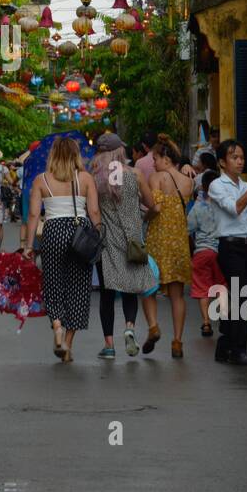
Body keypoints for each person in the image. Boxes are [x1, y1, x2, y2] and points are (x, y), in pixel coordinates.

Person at [22, 136, 100, 362]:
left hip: (53, 231)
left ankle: (56, 325)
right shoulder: (85, 178)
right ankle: (68, 343)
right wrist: (98, 235)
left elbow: (34, 215)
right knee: (78, 287)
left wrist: (28, 246)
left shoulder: (41, 180)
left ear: (53, 155)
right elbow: (94, 212)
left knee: (52, 282)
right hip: (80, 232)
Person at [90, 133, 160, 359]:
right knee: (131, 289)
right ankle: (129, 327)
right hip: (132, 241)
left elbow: (91, 209)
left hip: (106, 241)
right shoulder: (135, 174)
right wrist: (143, 218)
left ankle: (109, 346)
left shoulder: (95, 178)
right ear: (120, 151)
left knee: (108, 294)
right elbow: (153, 206)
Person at [207, 140, 247, 366]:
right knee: (242, 295)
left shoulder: (245, 185)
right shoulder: (217, 185)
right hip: (228, 246)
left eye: (242, 157)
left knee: (244, 296)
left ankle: (225, 344)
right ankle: (238, 350)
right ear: (223, 162)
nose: (240, 161)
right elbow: (235, 209)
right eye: (234, 157)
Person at [147, 134, 195, 357]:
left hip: (158, 239)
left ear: (165, 158)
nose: (153, 163)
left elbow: (156, 208)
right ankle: (177, 341)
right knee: (177, 295)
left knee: (147, 286)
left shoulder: (157, 178)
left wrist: (144, 216)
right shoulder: (188, 181)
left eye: (155, 158)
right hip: (179, 241)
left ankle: (154, 326)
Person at [189, 170, 224, 336]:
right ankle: (225, 319)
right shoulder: (224, 206)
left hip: (202, 252)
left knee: (203, 288)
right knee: (221, 286)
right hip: (221, 251)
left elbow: (188, 230)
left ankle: (206, 323)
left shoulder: (197, 208)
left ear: (203, 187)